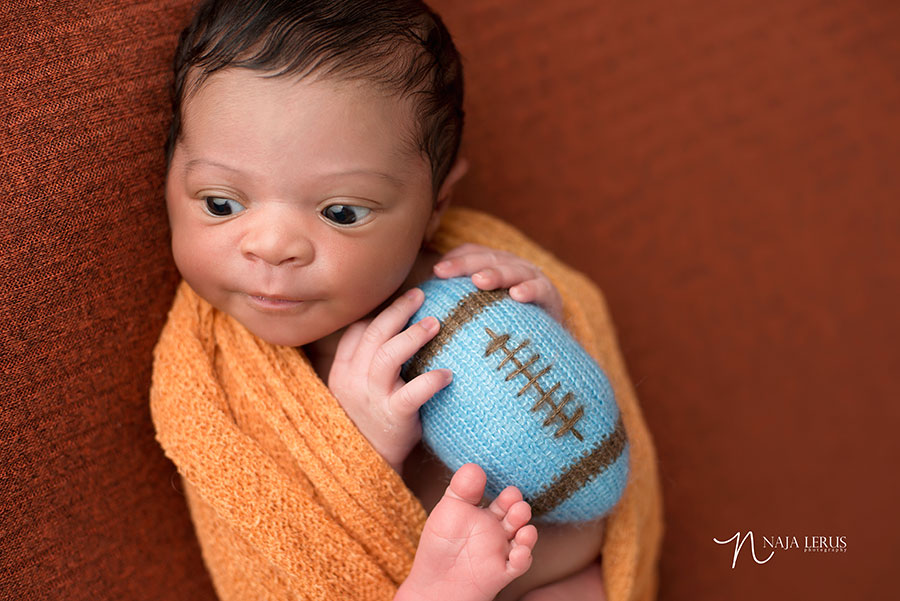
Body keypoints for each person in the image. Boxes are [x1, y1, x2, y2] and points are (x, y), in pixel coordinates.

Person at [156, 1, 618, 599]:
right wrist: (364, 453)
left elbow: (572, 433)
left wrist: (545, 327)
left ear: (436, 207)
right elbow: (294, 546)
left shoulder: (465, 285)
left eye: (341, 213)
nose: (270, 247)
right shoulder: (217, 382)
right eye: (221, 203)